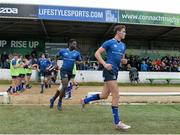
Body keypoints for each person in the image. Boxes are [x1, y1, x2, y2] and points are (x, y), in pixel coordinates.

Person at [80, 25, 131, 130]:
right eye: (123, 31)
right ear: (118, 32)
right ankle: (117, 122)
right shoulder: (109, 42)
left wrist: (124, 61)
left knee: (104, 95)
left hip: (116, 71)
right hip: (109, 70)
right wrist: (104, 64)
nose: (125, 33)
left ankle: (84, 101)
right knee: (116, 94)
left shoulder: (123, 45)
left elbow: (121, 59)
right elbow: (97, 53)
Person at [49, 39, 82, 111]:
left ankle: (52, 99)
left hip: (70, 72)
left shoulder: (77, 53)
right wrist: (55, 64)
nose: (75, 45)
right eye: (74, 44)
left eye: (75, 44)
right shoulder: (63, 51)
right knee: (65, 86)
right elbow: (56, 56)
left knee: (61, 88)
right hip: (63, 70)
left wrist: (77, 62)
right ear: (69, 44)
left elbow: (80, 61)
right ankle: (59, 102)